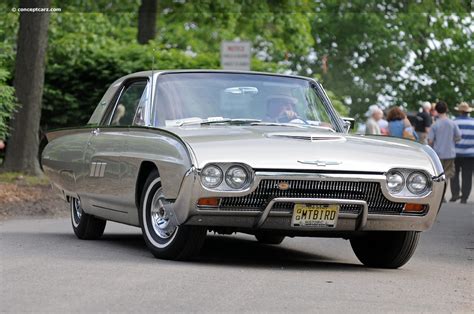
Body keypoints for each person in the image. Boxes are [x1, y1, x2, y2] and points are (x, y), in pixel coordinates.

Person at [428, 101, 462, 200]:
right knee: (447, 175)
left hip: (438, 154)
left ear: (436, 110)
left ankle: (439, 196)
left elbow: (430, 141)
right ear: (446, 109)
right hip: (450, 153)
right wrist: (452, 141)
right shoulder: (452, 123)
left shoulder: (435, 125)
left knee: (438, 176)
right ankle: (443, 195)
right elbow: (459, 137)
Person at [450, 102, 473, 204]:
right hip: (470, 155)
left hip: (455, 153)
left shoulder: (454, 122)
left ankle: (455, 194)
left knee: (454, 174)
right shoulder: (473, 122)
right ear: (468, 112)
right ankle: (464, 197)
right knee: (467, 176)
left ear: (459, 111)